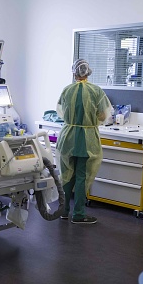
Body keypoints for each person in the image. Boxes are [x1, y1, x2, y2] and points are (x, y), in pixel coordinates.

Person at [56, 59, 112, 224]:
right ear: (88, 72)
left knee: (66, 174)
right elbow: (103, 116)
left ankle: (64, 211)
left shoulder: (67, 90)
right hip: (87, 139)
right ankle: (79, 214)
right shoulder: (96, 91)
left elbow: (60, 111)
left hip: (68, 136)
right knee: (82, 175)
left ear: (74, 73)